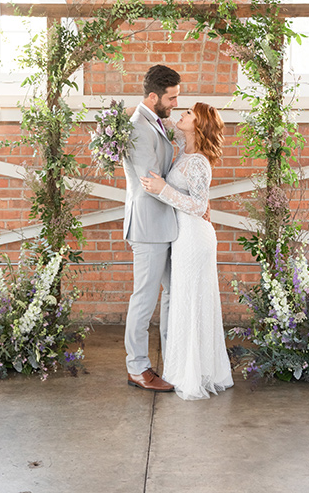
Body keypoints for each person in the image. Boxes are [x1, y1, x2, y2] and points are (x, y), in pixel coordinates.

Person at [141, 103, 234, 401]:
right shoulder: (183, 146)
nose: (182, 114)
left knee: (191, 301)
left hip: (194, 239)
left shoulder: (199, 163)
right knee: (183, 299)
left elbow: (199, 206)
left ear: (199, 125)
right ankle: (184, 367)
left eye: (189, 114)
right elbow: (157, 121)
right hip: (183, 237)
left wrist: (161, 189)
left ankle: (194, 372)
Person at [123, 64, 181, 392]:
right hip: (147, 224)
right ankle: (138, 367)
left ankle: (174, 357)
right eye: (171, 98)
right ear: (153, 96)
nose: (174, 104)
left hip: (165, 222)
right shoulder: (137, 128)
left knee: (174, 291)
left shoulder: (154, 120)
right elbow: (150, 180)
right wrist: (189, 190)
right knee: (144, 298)